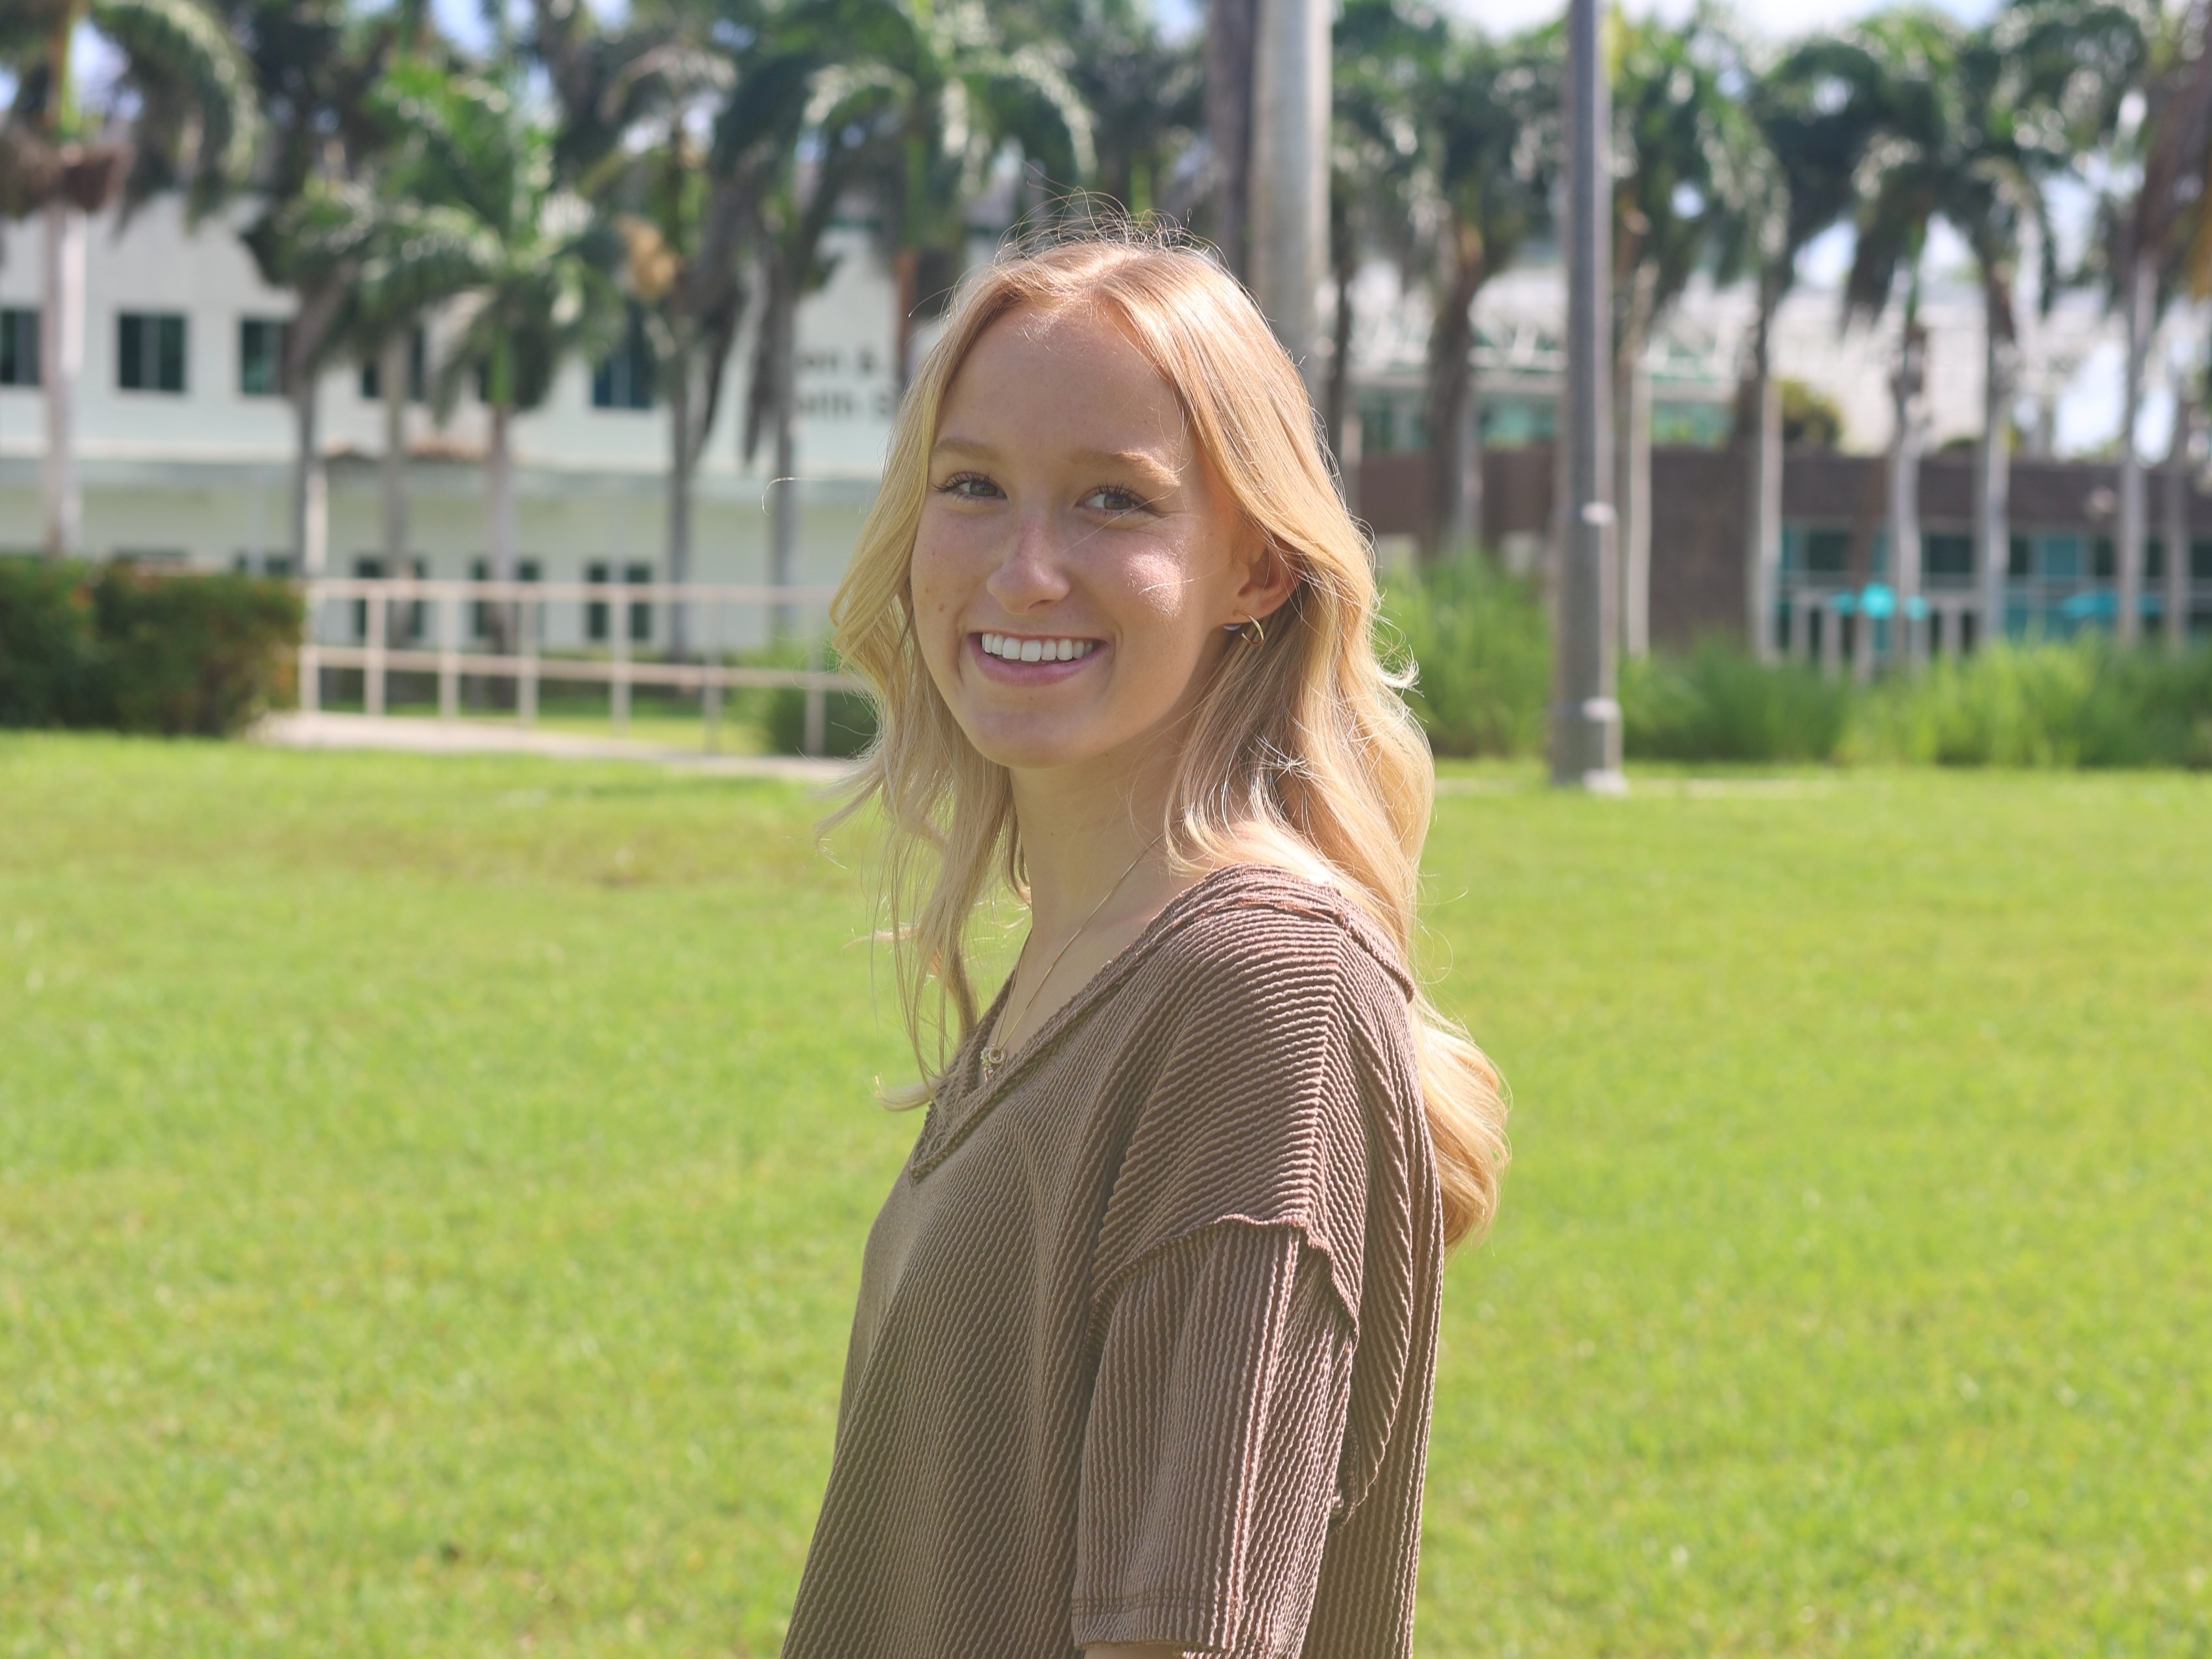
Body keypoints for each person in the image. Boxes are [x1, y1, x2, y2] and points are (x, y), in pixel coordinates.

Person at [782, 232, 1508, 1659]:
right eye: (972, 486)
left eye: (1116, 501)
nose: (1025, 569)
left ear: (1255, 568)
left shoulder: (1256, 996)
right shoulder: (1091, 950)